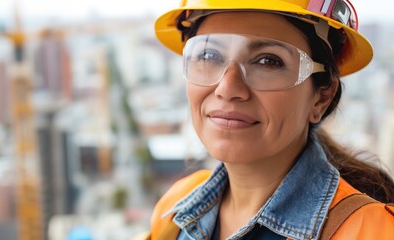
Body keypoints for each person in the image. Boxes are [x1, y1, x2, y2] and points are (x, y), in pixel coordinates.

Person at [148, 0, 394, 239]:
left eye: (267, 61)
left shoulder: (374, 232)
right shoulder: (176, 209)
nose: (227, 87)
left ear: (322, 97)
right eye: (209, 55)